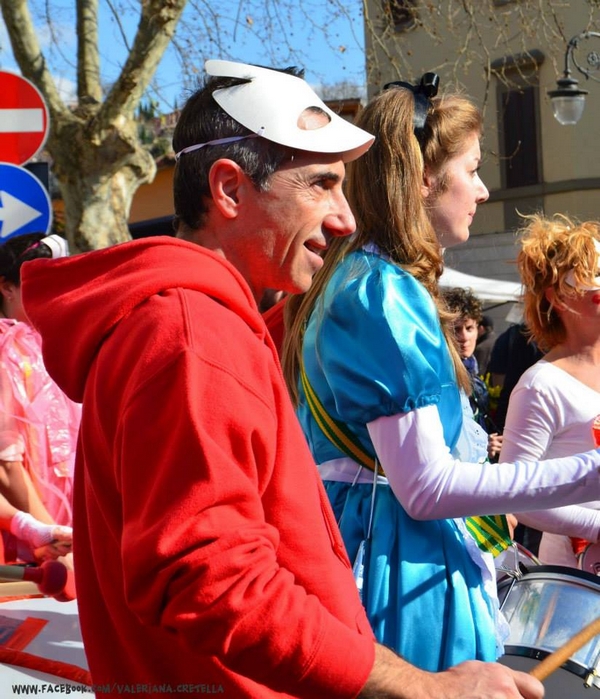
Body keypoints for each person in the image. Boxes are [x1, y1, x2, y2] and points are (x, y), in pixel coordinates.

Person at [18, 61, 543, 699]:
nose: (347, 218)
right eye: (321, 185)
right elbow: (214, 582)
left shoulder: (202, 325)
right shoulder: (190, 336)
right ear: (230, 190)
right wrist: (424, 687)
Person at [281, 71, 600, 675]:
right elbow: (427, 489)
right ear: (424, 178)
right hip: (400, 577)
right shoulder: (380, 292)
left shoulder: (364, 281)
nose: (482, 190)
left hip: (386, 560)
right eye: (472, 169)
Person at [500, 213, 600, 568]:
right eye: (594, 276)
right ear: (559, 298)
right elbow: (516, 495)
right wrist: (595, 525)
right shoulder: (540, 385)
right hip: (581, 580)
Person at [0, 233, 76, 563]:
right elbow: (5, 462)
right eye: (39, 280)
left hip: (71, 532)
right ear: (7, 287)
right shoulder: (6, 350)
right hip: (33, 547)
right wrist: (47, 533)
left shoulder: (64, 345)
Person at [443, 287, 502, 460]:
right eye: (456, 329)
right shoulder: (444, 375)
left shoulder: (472, 369)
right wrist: (480, 445)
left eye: (469, 328)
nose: (464, 337)